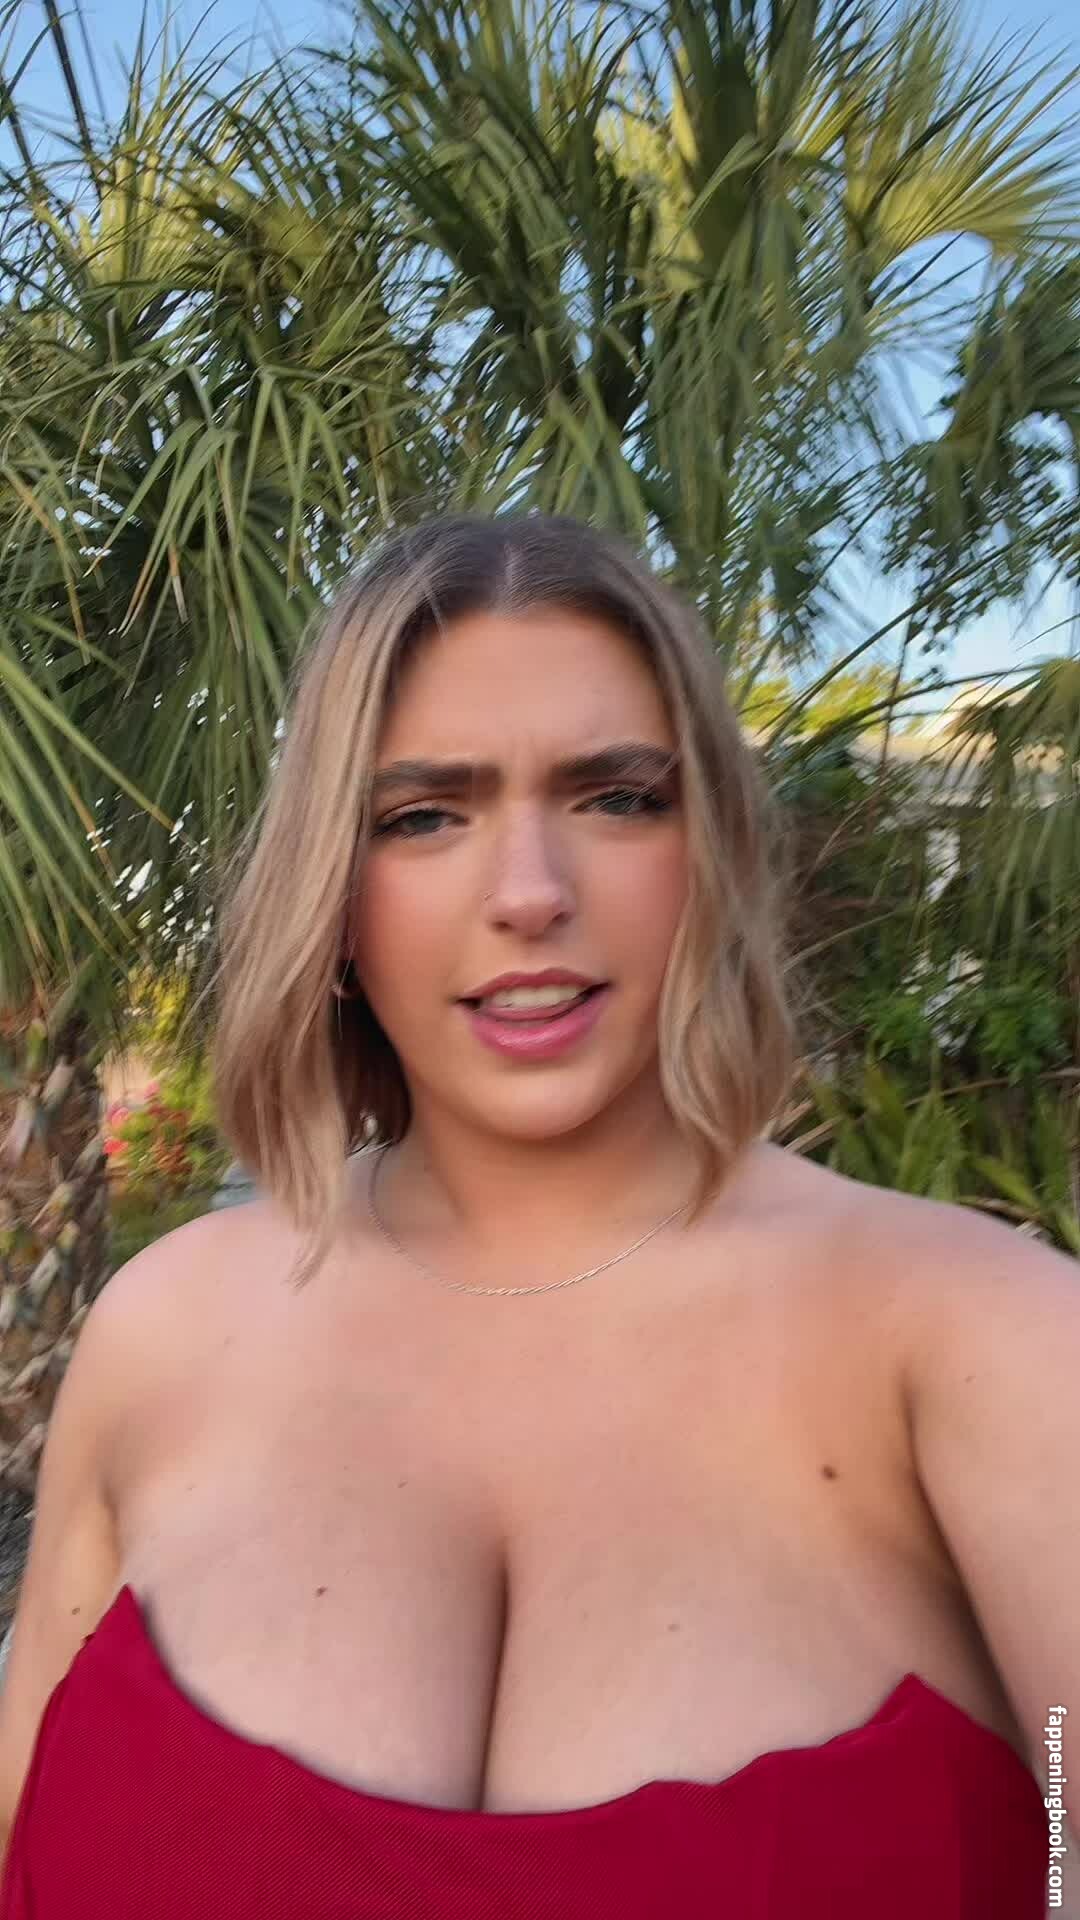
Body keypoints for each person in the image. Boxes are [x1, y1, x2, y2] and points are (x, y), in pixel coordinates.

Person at [0, 511, 1074, 1918]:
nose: (528, 895)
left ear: (714, 852)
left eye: (616, 797)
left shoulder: (993, 1341)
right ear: (334, 895)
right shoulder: (160, 1335)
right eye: (422, 816)